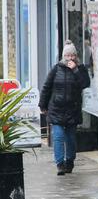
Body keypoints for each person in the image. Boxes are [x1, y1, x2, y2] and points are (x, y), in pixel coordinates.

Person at [39, 40, 90, 176]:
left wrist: (75, 70)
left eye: (72, 55)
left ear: (76, 56)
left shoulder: (81, 69)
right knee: (58, 136)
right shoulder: (56, 69)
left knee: (70, 138)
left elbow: (85, 84)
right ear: (63, 56)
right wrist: (42, 105)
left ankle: (70, 161)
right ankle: (60, 164)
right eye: (67, 56)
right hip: (56, 109)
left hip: (72, 109)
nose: (70, 58)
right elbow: (46, 87)